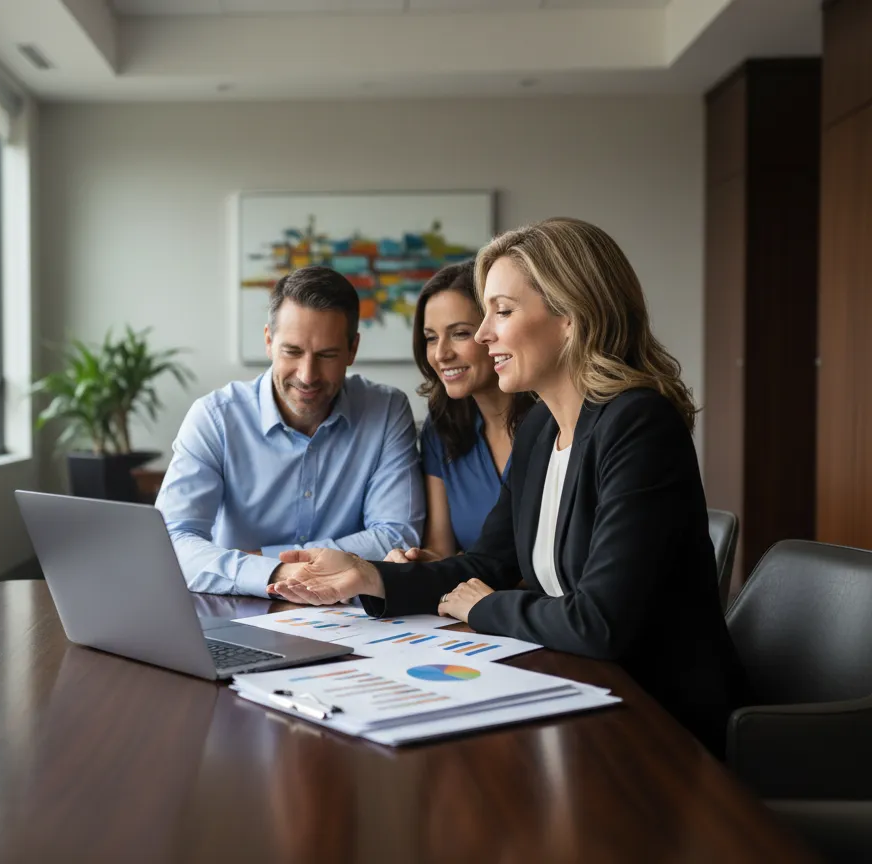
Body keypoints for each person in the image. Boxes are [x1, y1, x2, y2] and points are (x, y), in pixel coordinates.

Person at [269, 218, 748, 755]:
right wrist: (368, 577)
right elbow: (486, 564)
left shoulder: (639, 425)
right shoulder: (543, 425)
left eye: (502, 311)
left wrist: (484, 608)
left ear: (571, 317)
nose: (482, 334)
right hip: (581, 692)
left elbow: (600, 623)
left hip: (659, 722)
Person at [155, 265, 424, 598]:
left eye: (326, 355)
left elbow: (396, 536)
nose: (307, 375)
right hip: (240, 611)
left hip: (348, 616)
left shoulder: (385, 411)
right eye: (292, 352)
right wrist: (279, 571)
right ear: (269, 341)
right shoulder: (214, 418)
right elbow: (170, 543)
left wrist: (261, 558)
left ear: (352, 349)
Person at [398, 260, 533, 559]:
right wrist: (415, 565)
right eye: (431, 338)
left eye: (459, 333)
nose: (441, 353)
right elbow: (441, 550)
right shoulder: (443, 425)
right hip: (470, 601)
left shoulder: (551, 421)